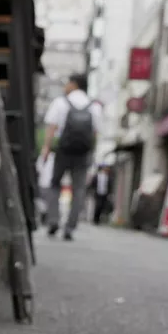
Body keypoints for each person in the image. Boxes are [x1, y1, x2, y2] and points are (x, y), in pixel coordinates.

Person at [40, 74, 103, 241]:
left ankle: (53, 220)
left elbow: (52, 126)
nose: (65, 86)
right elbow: (96, 133)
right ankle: (70, 227)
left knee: (54, 184)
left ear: (74, 84)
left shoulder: (61, 102)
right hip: (83, 153)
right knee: (79, 190)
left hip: (63, 150)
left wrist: (46, 147)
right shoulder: (94, 106)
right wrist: (91, 152)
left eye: (67, 82)